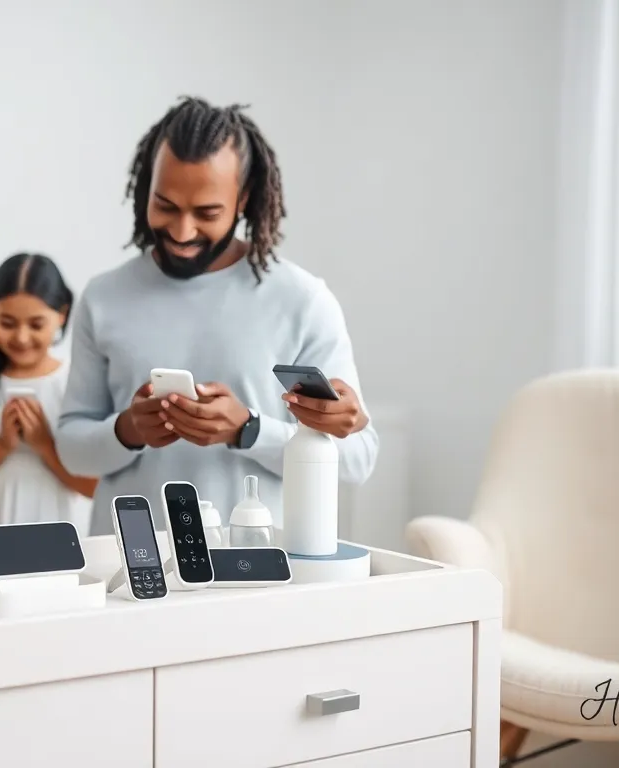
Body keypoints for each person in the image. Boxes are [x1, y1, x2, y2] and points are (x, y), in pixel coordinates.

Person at [56, 96, 379, 534]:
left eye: (207, 213)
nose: (182, 231)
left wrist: (247, 430)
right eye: (165, 205)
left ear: (243, 199)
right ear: (145, 187)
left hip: (256, 570)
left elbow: (357, 460)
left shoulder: (302, 300)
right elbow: (71, 450)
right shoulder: (104, 297)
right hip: (129, 572)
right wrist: (129, 429)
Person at [0, 253, 96, 545]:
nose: (21, 338)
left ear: (61, 314)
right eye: (7, 323)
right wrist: (2, 445)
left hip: (54, 533)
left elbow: (94, 487)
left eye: (36, 325)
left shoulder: (77, 382)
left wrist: (45, 445)